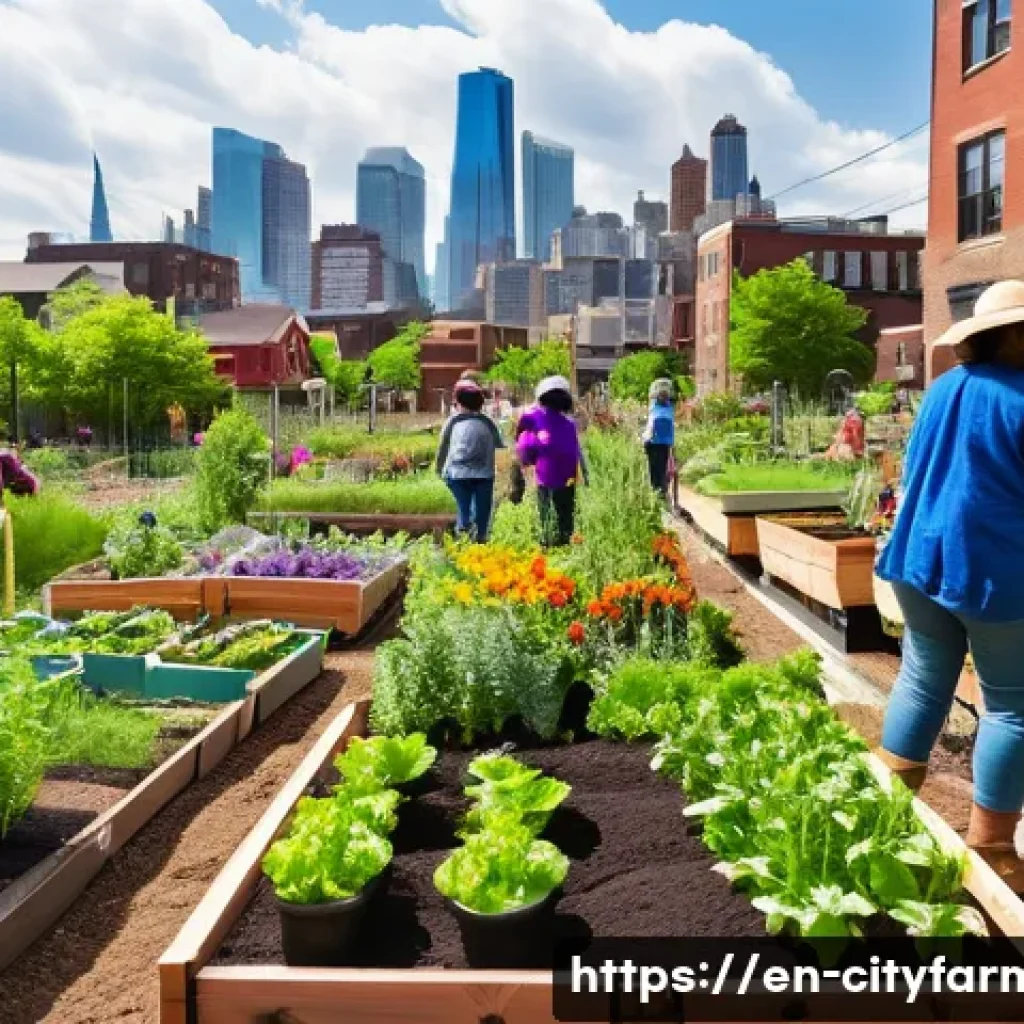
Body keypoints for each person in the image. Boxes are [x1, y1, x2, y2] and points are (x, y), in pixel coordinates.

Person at [874, 279, 1024, 891]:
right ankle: (990, 848)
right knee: (1013, 705)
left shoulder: (942, 391)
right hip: (995, 574)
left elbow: (916, 469)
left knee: (922, 677)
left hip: (921, 559)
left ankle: (880, 817)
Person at [517, 376, 588, 547]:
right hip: (567, 474)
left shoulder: (534, 417)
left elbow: (524, 442)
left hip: (545, 473)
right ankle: (565, 540)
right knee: (565, 509)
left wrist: (526, 459)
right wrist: (586, 473)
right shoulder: (569, 424)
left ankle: (548, 541)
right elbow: (576, 450)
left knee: (546, 509)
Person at [435, 380, 504, 542]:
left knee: (464, 508)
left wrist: (439, 469)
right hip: (484, 475)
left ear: (458, 403)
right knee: (482, 512)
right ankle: (479, 540)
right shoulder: (488, 423)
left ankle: (464, 539)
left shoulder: (452, 422)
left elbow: (442, 448)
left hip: (457, 475)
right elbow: (499, 444)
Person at [642, 379, 676, 496]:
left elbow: (651, 425)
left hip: (655, 443)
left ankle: (658, 491)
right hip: (661, 443)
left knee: (656, 469)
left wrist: (645, 440)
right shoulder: (667, 408)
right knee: (659, 469)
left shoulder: (657, 408)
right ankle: (660, 491)